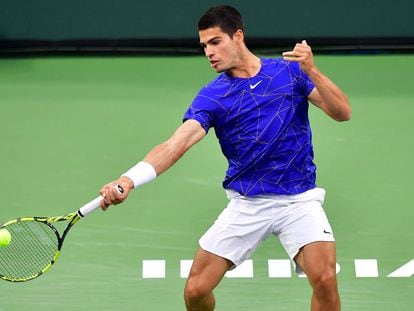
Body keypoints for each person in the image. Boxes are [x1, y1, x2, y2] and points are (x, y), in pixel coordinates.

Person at [99, 5, 351, 311]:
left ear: (238, 36)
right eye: (204, 46)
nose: (208, 52)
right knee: (196, 290)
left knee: (325, 279)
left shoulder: (289, 73)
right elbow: (175, 144)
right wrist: (129, 179)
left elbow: (342, 113)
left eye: (215, 42)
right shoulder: (213, 96)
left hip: (298, 199)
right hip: (247, 203)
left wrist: (311, 69)